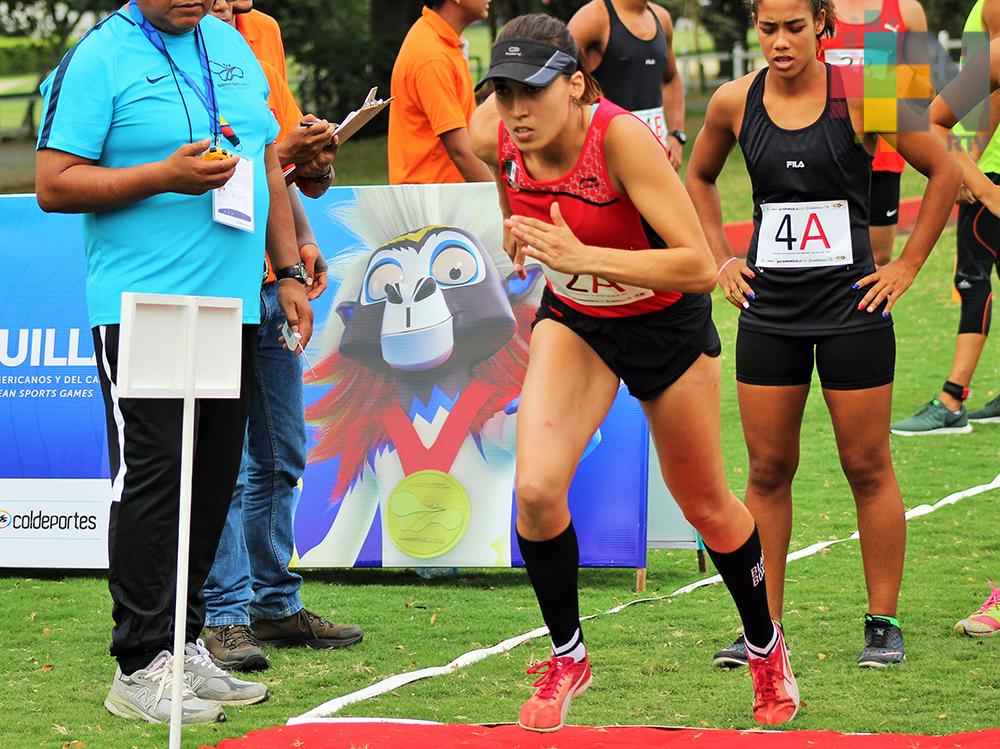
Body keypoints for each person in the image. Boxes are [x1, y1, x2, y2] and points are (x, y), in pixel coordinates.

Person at [470, 13, 799, 731]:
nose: (517, 111)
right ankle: (568, 655)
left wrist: (584, 256)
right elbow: (495, 168)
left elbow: (695, 268)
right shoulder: (491, 130)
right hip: (578, 322)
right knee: (534, 488)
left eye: (532, 92)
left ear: (578, 85)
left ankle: (765, 643)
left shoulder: (619, 137)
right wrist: (511, 222)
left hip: (664, 328)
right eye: (503, 93)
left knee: (705, 503)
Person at [34, 0, 314, 723]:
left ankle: (184, 645)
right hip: (142, 308)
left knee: (212, 481)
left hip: (230, 309)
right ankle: (137, 664)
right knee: (156, 481)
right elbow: (54, 183)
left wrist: (286, 270)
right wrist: (161, 175)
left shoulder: (231, 45)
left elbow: (265, 164)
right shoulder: (99, 56)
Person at [686, 0, 960, 670]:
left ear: (822, 26)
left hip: (852, 309)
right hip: (770, 311)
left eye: (795, 28)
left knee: (867, 465)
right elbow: (695, 175)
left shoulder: (864, 96)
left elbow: (946, 168)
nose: (780, 42)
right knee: (768, 469)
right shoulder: (732, 101)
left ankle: (883, 622)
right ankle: (762, 628)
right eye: (768, 28)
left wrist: (907, 265)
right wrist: (720, 257)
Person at [200, 0, 364, 675]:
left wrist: (299, 240)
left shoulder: (260, 32)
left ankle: (274, 599)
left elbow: (275, 163)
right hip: (208, 269)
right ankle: (225, 614)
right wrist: (283, 154)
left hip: (271, 274)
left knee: (282, 450)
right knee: (226, 461)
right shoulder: (173, 40)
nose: (224, 6)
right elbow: (213, 163)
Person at [890, 0, 1000, 435]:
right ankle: (952, 396)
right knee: (969, 279)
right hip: (980, 167)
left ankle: (953, 397)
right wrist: (974, 172)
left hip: (980, 162)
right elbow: (926, 110)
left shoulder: (901, 12)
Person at [820, 0, 929, 267]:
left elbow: (923, 89)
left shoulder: (906, 10)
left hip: (884, 154)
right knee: (824, 257)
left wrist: (888, 92)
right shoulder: (814, 7)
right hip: (826, 152)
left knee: (877, 260)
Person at [568, 0, 687, 169]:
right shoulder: (593, 17)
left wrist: (676, 134)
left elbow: (671, 78)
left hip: (657, 155)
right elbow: (559, 79)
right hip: (608, 159)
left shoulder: (661, 17)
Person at [389, 0, 494, 184]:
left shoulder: (440, 41)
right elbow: (460, 150)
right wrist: (498, 205)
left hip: (446, 198)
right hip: (433, 203)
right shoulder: (432, 56)